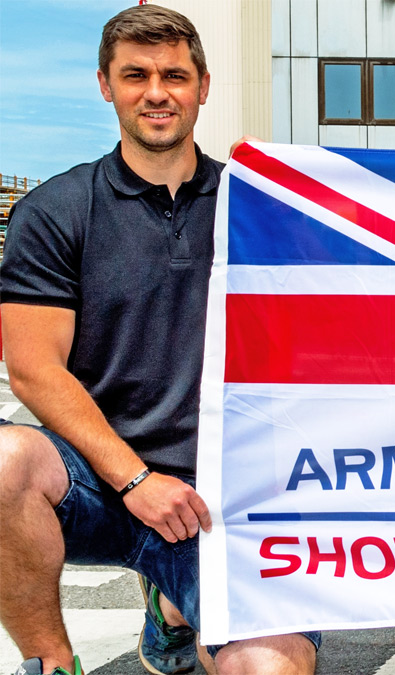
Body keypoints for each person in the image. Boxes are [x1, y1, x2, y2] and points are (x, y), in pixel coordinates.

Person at [0, 6, 319, 675]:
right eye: (135, 75)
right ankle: (51, 663)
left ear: (203, 87)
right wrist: (136, 479)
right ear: (105, 85)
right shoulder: (55, 211)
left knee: (271, 665)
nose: (156, 92)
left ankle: (172, 603)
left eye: (174, 75)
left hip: (225, 496)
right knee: (3, 460)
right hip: (98, 479)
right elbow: (32, 369)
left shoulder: (256, 205)